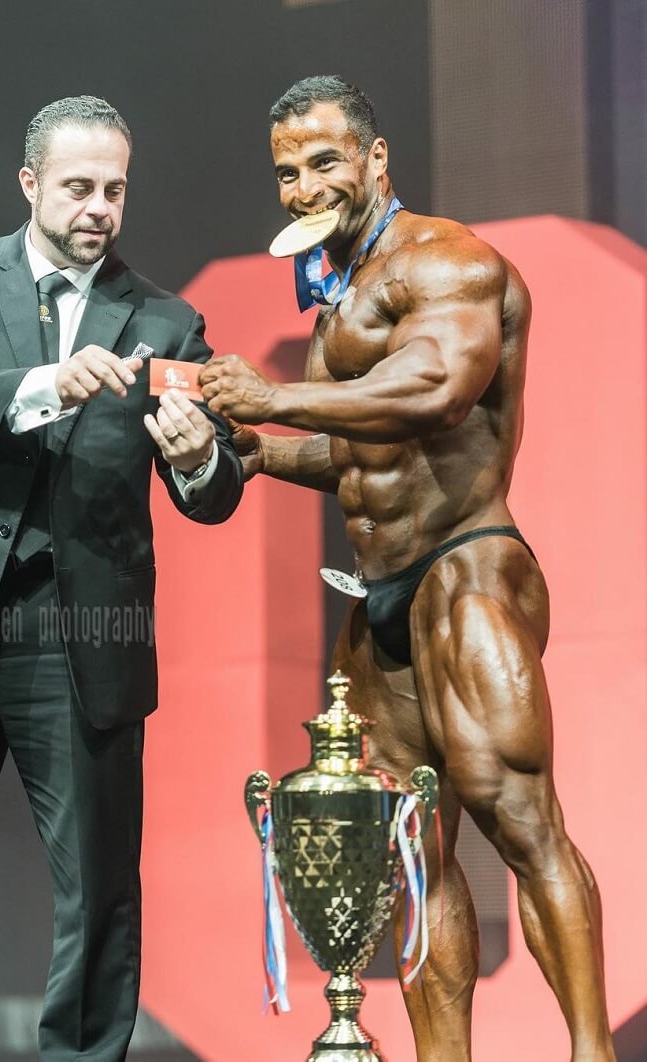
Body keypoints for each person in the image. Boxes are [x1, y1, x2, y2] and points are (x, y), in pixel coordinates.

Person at [201, 76, 614, 1062]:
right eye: (286, 172)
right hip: (378, 598)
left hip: (465, 573)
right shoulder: (337, 296)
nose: (303, 187)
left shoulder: (446, 260)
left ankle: (593, 1053)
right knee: (408, 854)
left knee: (518, 821)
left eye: (325, 161)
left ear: (376, 161)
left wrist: (275, 399)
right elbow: (351, 455)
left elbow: (432, 389)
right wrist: (242, 444)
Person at [0, 95, 242, 1062]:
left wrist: (196, 456)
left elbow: (218, 489)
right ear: (30, 185)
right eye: (78, 187)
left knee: (100, 899)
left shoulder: (165, 321)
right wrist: (46, 384)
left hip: (82, 643)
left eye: (114, 188)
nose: (98, 206)